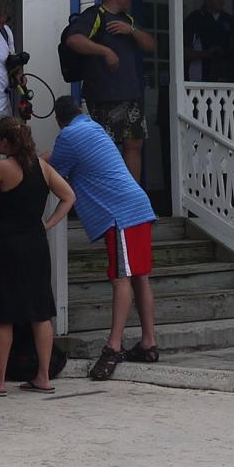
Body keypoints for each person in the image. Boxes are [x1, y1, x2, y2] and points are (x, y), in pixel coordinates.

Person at [48, 95, 158, 381]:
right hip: (137, 207)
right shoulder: (92, 128)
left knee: (121, 280)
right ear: (79, 111)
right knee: (140, 277)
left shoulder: (68, 136)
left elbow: (51, 173)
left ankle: (113, 347)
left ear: (59, 121)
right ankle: (148, 343)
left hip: (120, 215)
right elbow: (56, 158)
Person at [0, 115, 74, 394]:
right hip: (35, 241)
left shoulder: (3, 168)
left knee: (4, 313)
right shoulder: (42, 167)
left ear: (6, 142)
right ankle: (43, 376)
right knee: (40, 312)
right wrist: (48, 223)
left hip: (7, 242)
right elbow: (69, 196)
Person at [65, 0, 157, 182]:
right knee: (106, 146)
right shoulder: (95, 15)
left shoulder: (128, 19)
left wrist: (131, 30)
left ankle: (133, 196)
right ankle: (109, 193)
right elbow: (74, 39)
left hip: (131, 93)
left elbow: (151, 45)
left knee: (135, 144)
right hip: (104, 94)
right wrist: (105, 51)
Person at [183, 0, 234, 83]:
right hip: (199, 81)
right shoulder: (194, 19)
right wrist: (207, 54)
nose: (222, 1)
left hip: (225, 81)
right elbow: (182, 53)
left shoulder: (229, 20)